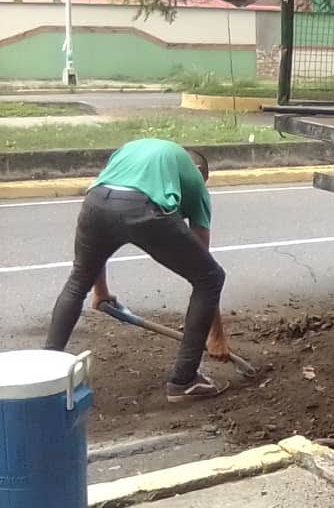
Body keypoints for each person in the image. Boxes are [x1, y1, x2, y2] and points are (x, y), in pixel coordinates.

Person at [45, 138, 232, 403]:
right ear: (200, 172)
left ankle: (45, 373)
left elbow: (105, 231)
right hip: (142, 208)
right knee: (211, 278)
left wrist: (101, 293)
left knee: (77, 282)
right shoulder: (196, 181)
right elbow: (204, 267)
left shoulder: (132, 151)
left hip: (95, 201)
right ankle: (184, 381)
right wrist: (217, 336)